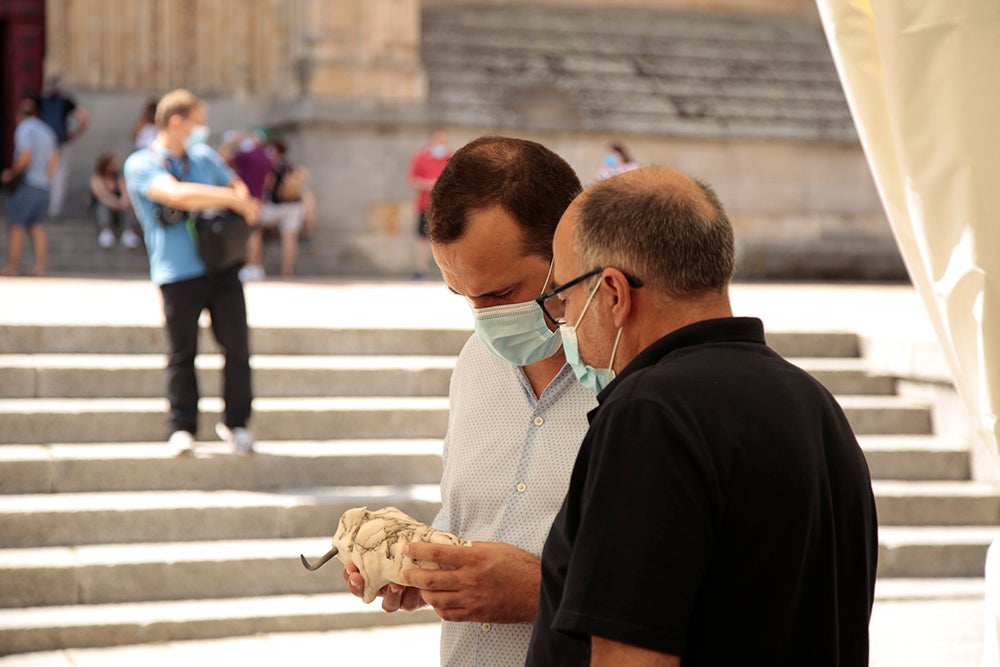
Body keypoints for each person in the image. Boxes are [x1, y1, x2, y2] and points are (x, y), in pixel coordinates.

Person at [525, 167, 879, 666]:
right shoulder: (813, 402)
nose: (565, 320)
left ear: (612, 293)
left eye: (565, 297)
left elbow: (632, 657)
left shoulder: (649, 415)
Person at [342, 136, 597, 666]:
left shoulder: (634, 386)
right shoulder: (476, 363)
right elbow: (471, 519)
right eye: (465, 297)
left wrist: (538, 591)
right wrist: (424, 568)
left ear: (568, 254)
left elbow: (673, 587)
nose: (485, 320)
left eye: (501, 294)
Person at [123, 88, 262, 456]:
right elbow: (174, 195)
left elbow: (235, 183)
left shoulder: (204, 156)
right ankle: (181, 426)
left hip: (222, 266)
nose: (204, 128)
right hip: (177, 270)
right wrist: (230, 199)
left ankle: (237, 423)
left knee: (237, 347)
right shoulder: (141, 162)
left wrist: (237, 192)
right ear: (176, 122)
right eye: (198, 121)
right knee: (181, 352)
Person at [221, 128, 304, 280]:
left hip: (253, 201)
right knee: (289, 238)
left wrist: (231, 143)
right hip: (288, 205)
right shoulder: (271, 160)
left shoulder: (249, 155)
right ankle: (287, 273)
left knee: (254, 234)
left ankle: (253, 266)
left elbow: (224, 160)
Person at [1, 98, 58, 277]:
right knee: (36, 226)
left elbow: (26, 154)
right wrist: (45, 178)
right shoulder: (47, 131)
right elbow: (54, 160)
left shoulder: (25, 128)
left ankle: (12, 266)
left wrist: (12, 172)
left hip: (28, 183)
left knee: (16, 224)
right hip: (42, 185)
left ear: (20, 115)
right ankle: (40, 267)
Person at [36, 74, 90, 219]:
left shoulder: (41, 99)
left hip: (44, 142)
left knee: (42, 173)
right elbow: (84, 117)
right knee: (59, 175)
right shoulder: (66, 101)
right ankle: (54, 210)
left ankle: (40, 207)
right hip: (61, 142)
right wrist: (75, 134)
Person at [407, 129, 451, 279]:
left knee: (447, 238)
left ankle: (448, 272)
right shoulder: (420, 158)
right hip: (425, 205)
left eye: (443, 141)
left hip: (446, 205)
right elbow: (412, 180)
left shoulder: (450, 158)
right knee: (422, 238)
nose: (441, 144)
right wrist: (426, 184)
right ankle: (422, 269)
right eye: (438, 141)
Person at [90, 153, 142, 249]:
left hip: (118, 206)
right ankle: (106, 230)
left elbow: (125, 191)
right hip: (106, 205)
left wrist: (123, 201)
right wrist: (115, 203)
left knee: (127, 205)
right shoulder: (97, 178)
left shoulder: (118, 177)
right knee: (103, 207)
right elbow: (102, 195)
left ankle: (128, 231)